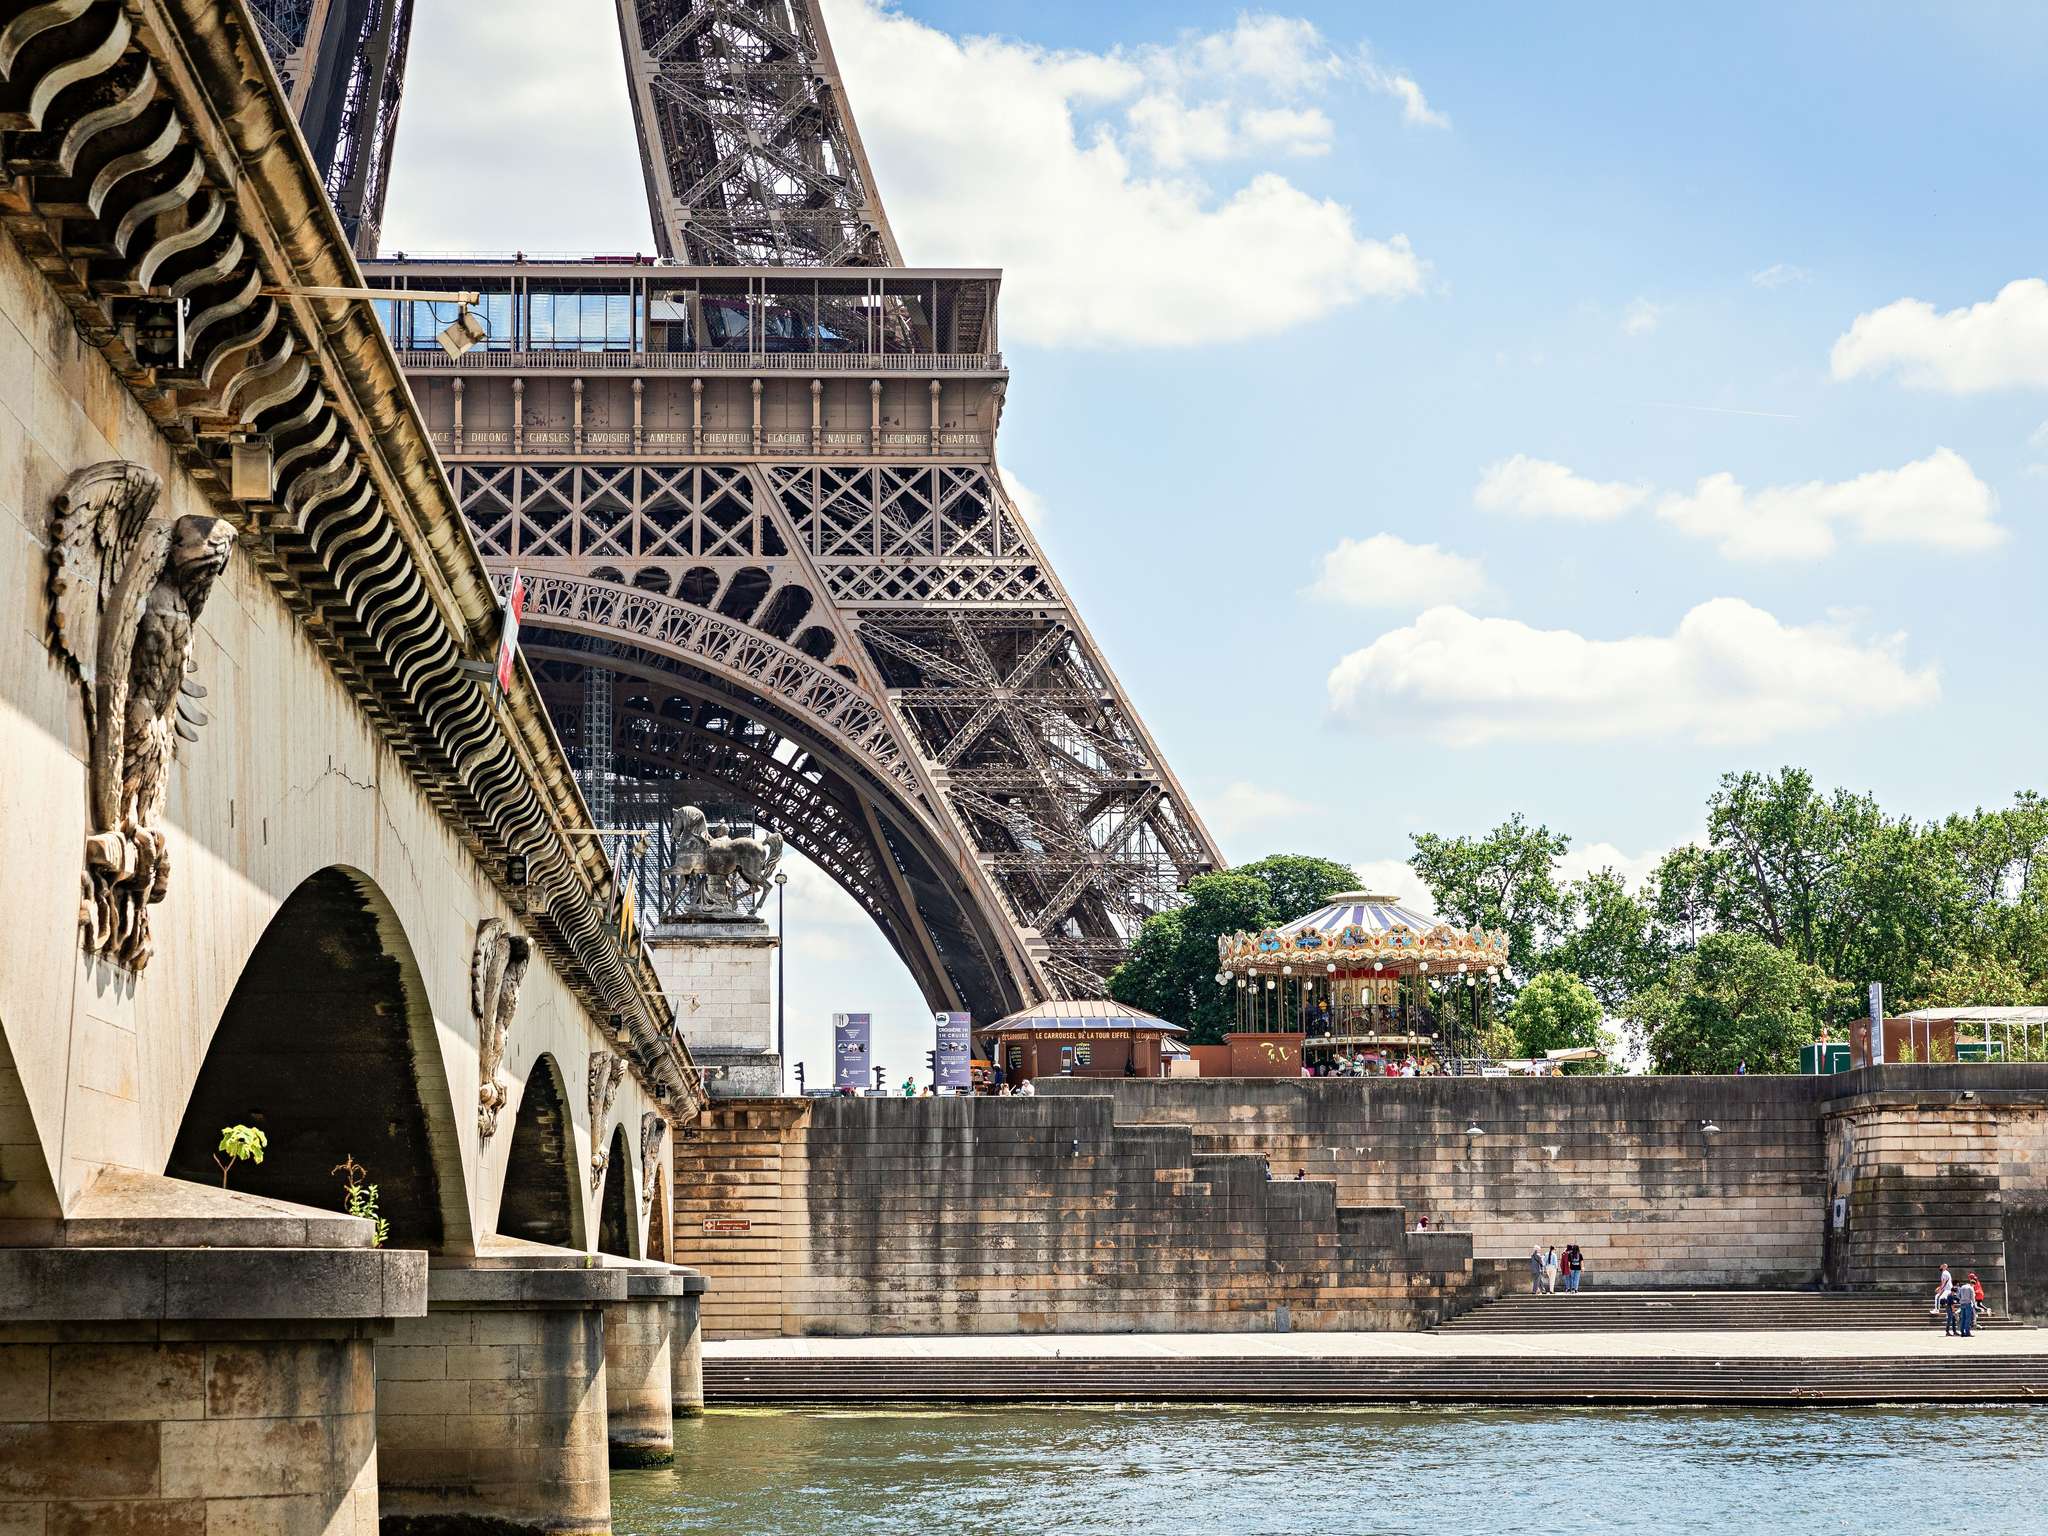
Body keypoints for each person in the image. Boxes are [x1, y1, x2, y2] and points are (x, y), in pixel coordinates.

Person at [1934, 1264, 1957, 1334]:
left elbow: (1944, 1282)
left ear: (1944, 1267)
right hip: (1948, 1289)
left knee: (1937, 1297)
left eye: (1941, 1266)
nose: (1940, 1267)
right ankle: (1944, 1305)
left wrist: (1940, 1288)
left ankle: (1937, 1309)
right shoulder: (1946, 1273)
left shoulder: (1944, 1273)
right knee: (1942, 1298)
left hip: (1947, 1289)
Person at [1959, 1271, 1979, 1337]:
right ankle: (1967, 1332)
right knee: (1968, 1318)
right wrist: (1975, 1305)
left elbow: (1958, 1295)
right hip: (1968, 1304)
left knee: (1963, 1318)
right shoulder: (1971, 1288)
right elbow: (1972, 1298)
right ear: (1973, 1284)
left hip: (1962, 1304)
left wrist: (1961, 1300)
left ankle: (1962, 1332)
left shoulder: (1962, 1287)